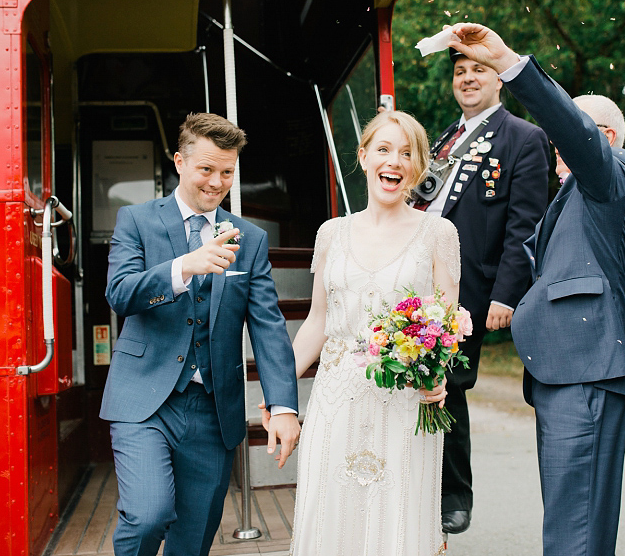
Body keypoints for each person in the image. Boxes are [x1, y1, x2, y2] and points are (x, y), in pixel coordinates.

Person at [446, 22, 625, 556]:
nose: (559, 152)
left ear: (603, 138)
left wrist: (510, 62)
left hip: (586, 373)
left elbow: (572, 131)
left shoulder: (615, 177)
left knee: (574, 532)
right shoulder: (578, 202)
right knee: (573, 524)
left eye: (569, 141)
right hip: (568, 375)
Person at [101, 112, 300, 556]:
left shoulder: (249, 237)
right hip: (143, 400)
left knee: (192, 541)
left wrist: (283, 405)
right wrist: (183, 267)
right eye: (206, 169)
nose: (216, 182)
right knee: (148, 513)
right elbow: (119, 292)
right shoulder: (136, 221)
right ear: (179, 162)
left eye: (227, 172)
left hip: (212, 410)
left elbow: (268, 325)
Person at [282, 110, 460, 556]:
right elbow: (318, 322)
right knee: (331, 517)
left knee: (396, 520)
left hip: (404, 401)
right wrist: (277, 392)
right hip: (335, 400)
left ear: (418, 167)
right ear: (363, 157)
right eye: (383, 150)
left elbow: (448, 323)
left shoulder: (439, 233)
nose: (394, 162)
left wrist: (439, 371)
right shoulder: (331, 233)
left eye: (407, 153)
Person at [413, 47, 550, 534]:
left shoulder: (523, 137)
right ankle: (417, 483)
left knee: (449, 386)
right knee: (413, 383)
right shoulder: (447, 136)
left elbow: (525, 223)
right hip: (418, 283)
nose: (467, 79)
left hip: (470, 289)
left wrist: (507, 293)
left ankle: (453, 495)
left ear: (500, 81)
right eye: (460, 72)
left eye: (478, 70)